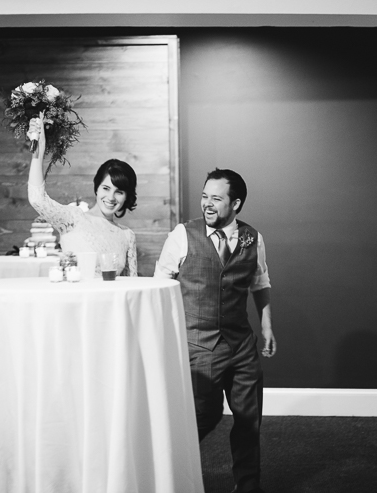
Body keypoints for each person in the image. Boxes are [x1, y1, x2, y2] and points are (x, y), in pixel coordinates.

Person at [154, 168, 276, 493]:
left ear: (235, 203)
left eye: (216, 198)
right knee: (202, 417)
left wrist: (266, 326)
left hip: (241, 346)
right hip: (198, 345)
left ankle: (248, 486)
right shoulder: (182, 235)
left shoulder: (254, 239)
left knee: (249, 421)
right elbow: (159, 289)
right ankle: (168, 477)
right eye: (205, 196)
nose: (207, 204)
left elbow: (260, 283)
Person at [26, 116, 138, 276]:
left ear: (127, 196)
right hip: (76, 298)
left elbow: (131, 283)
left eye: (119, 191)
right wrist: (38, 151)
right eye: (106, 188)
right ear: (97, 188)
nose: (111, 197)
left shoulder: (127, 236)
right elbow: (37, 199)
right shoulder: (73, 219)